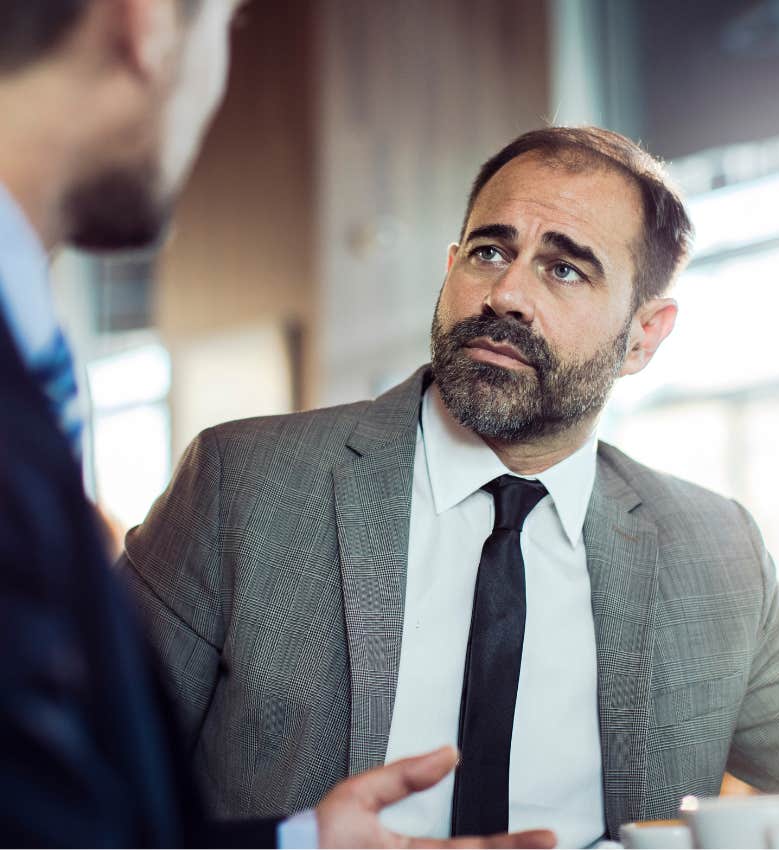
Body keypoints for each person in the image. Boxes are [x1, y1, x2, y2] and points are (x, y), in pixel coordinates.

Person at [122, 122, 779, 844]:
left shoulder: (716, 554)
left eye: (565, 270)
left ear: (644, 335)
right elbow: (80, 785)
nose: (506, 294)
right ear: (451, 268)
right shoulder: (245, 486)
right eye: (490, 252)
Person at [0, 1, 559, 847]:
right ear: (146, 21)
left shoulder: (26, 350)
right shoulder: (238, 480)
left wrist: (301, 843)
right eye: (228, 26)